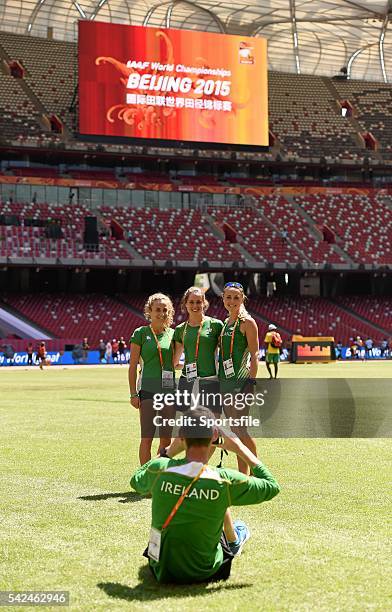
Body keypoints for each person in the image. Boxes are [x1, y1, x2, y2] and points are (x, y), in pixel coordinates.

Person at [130, 406, 280, 585]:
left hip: (161, 568)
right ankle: (234, 541)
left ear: (182, 435)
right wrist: (240, 448)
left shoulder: (160, 469)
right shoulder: (223, 479)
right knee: (223, 507)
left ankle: (233, 538)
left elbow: (136, 480)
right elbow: (272, 486)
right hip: (206, 571)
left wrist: (169, 451)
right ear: (215, 435)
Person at [128, 293, 176, 465]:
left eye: (165, 310)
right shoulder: (140, 333)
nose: (161, 313)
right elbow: (133, 366)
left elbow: (175, 363)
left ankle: (157, 475)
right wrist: (133, 394)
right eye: (157, 309)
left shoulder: (173, 334)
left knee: (166, 440)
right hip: (147, 390)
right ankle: (144, 480)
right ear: (149, 310)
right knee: (147, 437)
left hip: (169, 391)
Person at [218, 282, 259, 474]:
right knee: (234, 431)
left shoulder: (248, 323)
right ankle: (243, 475)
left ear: (242, 299)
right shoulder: (226, 323)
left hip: (240, 383)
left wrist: (250, 383)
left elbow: (255, 355)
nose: (232, 301)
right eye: (228, 297)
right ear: (223, 299)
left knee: (241, 429)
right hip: (225, 383)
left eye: (236, 297)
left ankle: (256, 472)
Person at [173, 286, 223, 414]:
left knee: (213, 426)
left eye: (198, 302)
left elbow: (225, 354)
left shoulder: (216, 325)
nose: (195, 305)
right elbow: (175, 363)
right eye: (191, 302)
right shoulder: (180, 329)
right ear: (185, 304)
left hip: (210, 380)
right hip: (187, 381)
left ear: (204, 303)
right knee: (186, 427)